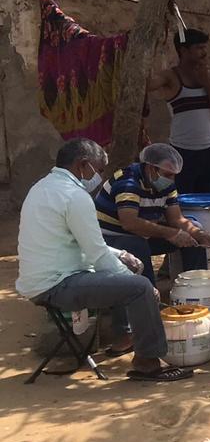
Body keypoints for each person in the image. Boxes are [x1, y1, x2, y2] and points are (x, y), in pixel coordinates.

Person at [16, 139, 187, 381]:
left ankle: (130, 337)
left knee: (125, 269)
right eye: (99, 169)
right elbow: (96, 254)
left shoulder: (42, 187)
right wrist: (140, 282)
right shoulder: (75, 197)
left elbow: (83, 244)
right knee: (140, 288)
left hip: (46, 278)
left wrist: (120, 255)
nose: (100, 176)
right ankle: (148, 362)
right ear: (83, 165)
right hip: (58, 284)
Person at [95, 142, 210, 284]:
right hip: (112, 240)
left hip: (142, 235)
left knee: (193, 231)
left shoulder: (166, 185)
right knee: (137, 244)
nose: (172, 179)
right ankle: (149, 295)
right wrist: (171, 233)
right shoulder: (128, 182)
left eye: (174, 175)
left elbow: (177, 219)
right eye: (168, 174)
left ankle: (197, 286)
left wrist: (201, 235)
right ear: (151, 168)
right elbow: (129, 223)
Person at [148, 29, 210, 194]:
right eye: (199, 48)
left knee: (206, 200)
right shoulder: (170, 77)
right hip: (182, 152)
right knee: (182, 200)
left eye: (204, 47)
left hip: (209, 151)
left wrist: (207, 82)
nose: (204, 52)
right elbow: (149, 85)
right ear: (184, 51)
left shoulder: (207, 76)